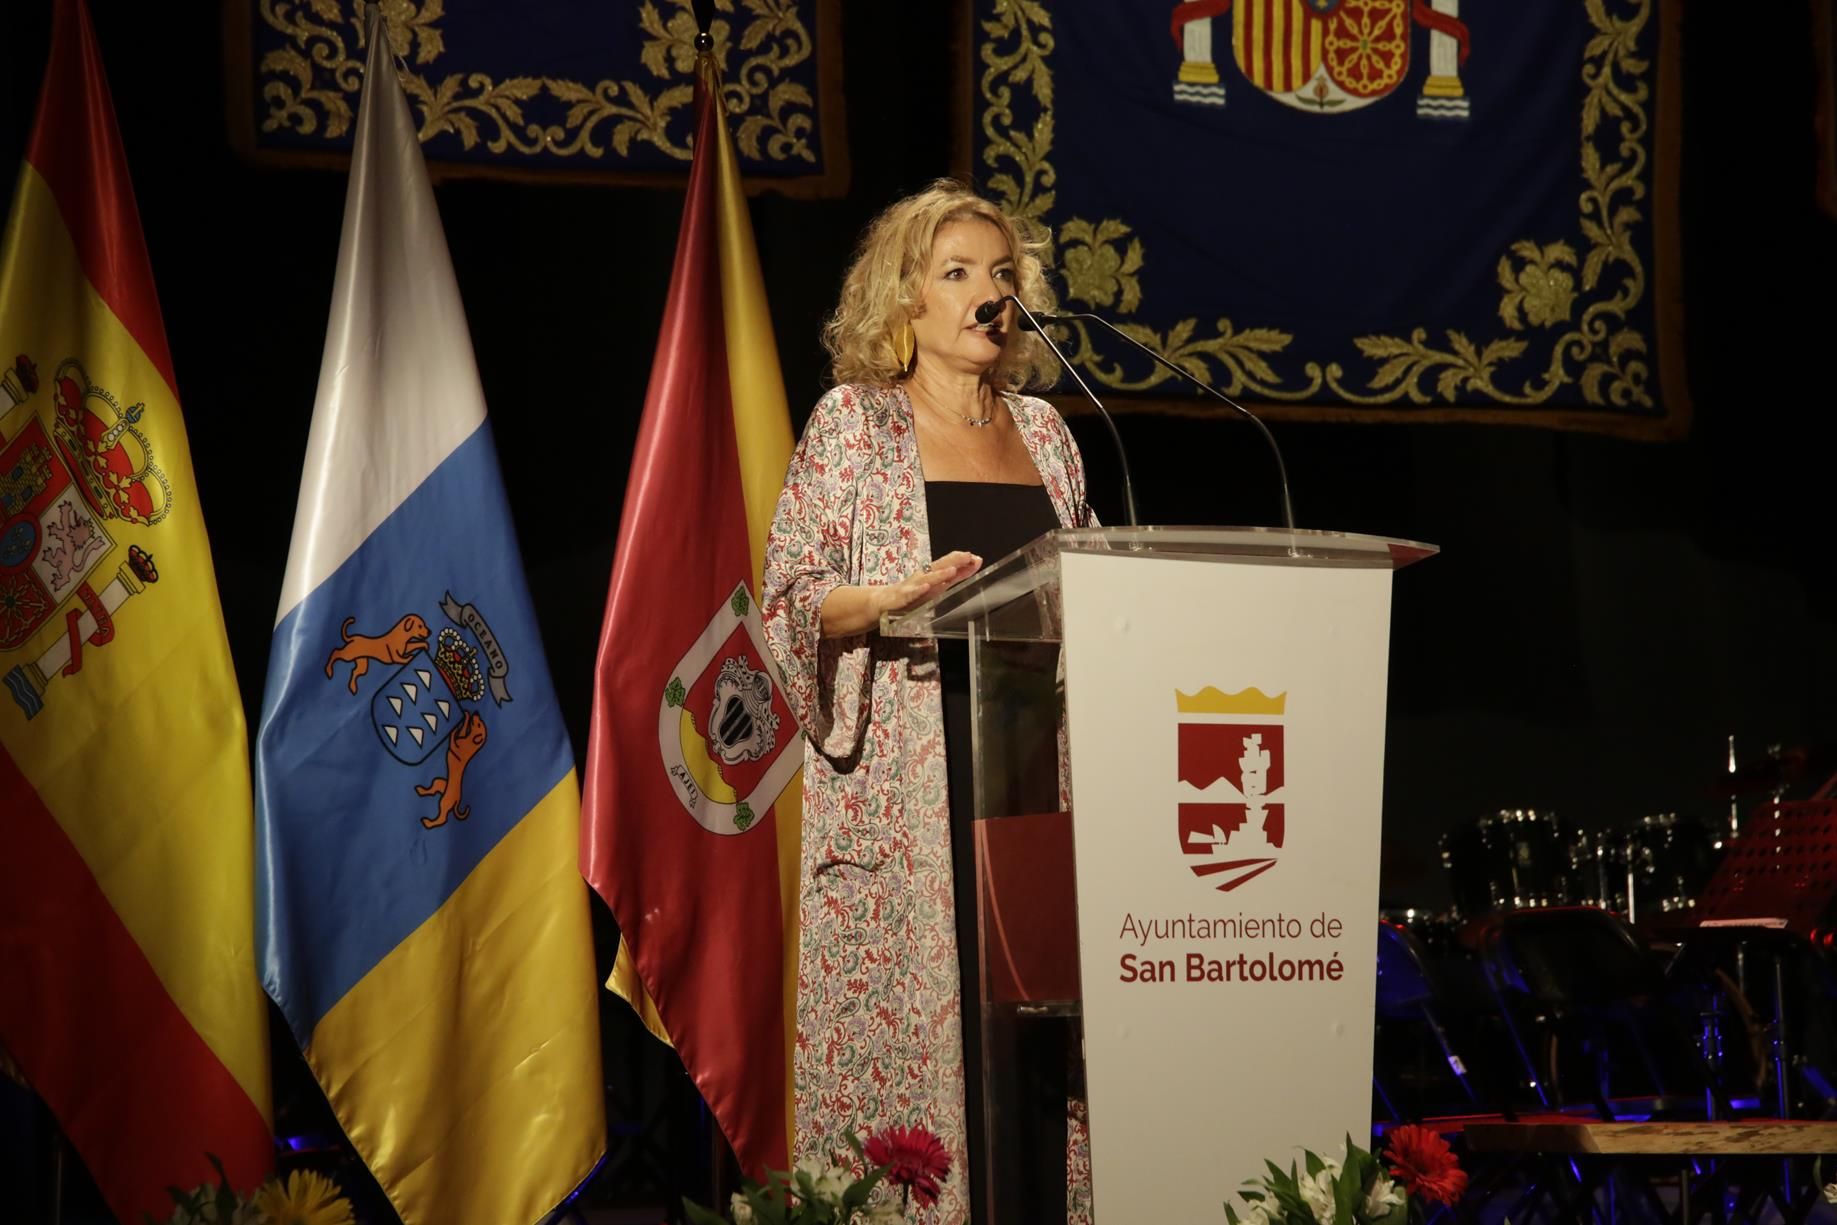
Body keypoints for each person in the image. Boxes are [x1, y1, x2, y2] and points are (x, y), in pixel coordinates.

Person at [762, 178, 1097, 1222]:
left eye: (1001, 275)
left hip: (1034, 772)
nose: (986, 295)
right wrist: (886, 599)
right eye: (955, 274)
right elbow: (788, 600)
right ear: (900, 300)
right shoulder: (853, 424)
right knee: (926, 1054)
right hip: (913, 781)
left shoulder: (1046, 433)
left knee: (1038, 1035)